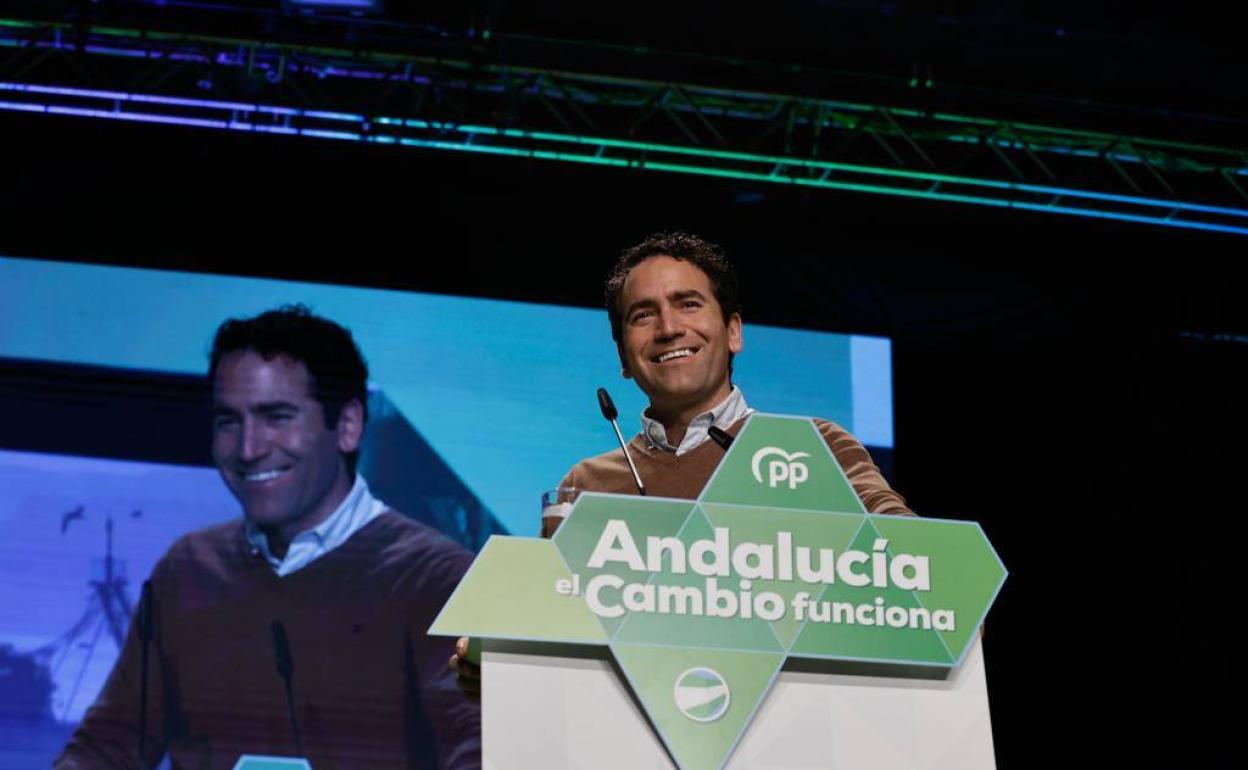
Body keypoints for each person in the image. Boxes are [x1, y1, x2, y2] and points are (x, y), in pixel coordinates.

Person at [450, 231, 909, 687]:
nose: (668, 328)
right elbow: (549, 622)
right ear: (624, 358)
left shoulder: (812, 448)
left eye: (688, 303)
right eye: (643, 315)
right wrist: (496, 665)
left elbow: (915, 562)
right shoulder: (587, 483)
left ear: (733, 332)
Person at [56, 305, 481, 770]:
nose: (248, 449)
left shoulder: (439, 579)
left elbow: (480, 743)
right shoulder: (188, 569)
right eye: (228, 421)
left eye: (276, 417)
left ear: (347, 425)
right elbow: (109, 744)